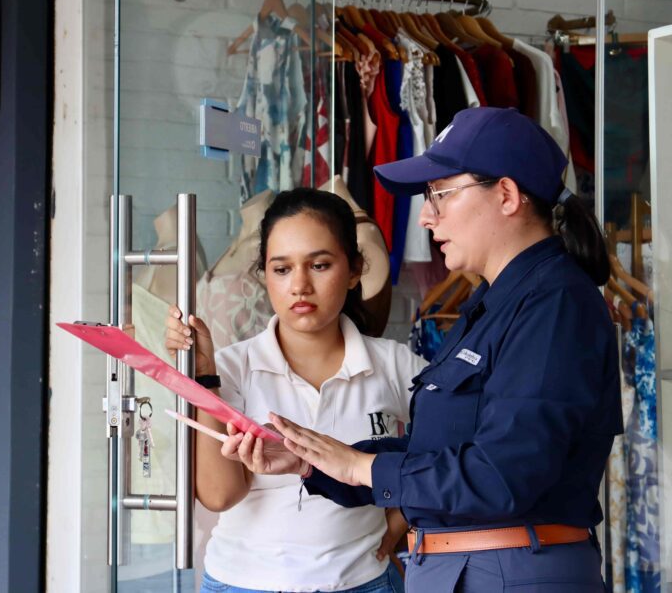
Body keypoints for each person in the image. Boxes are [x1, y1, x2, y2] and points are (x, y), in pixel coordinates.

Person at [237, 107, 623, 592]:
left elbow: (504, 473)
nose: (425, 215)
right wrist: (315, 460)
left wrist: (363, 466)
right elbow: (443, 452)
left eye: (439, 194)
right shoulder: (498, 301)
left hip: (510, 572)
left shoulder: (554, 303)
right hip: (474, 569)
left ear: (506, 195)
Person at [164, 189, 423, 593]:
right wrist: (204, 378)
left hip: (363, 581)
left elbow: (458, 440)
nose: (300, 285)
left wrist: (403, 513)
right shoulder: (230, 367)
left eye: (319, 265)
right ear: (264, 274)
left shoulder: (393, 364)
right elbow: (218, 495)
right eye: (282, 269)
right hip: (242, 582)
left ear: (355, 270)